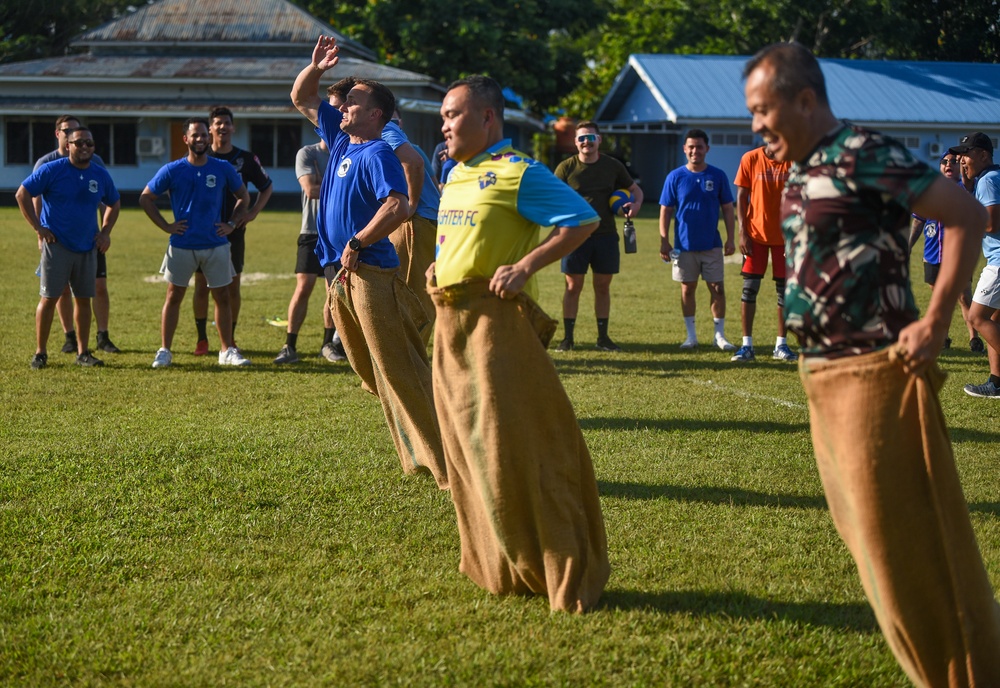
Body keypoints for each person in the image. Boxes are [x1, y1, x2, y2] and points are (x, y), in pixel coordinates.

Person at [744, 42, 1000, 686]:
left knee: (907, 539)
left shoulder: (864, 152)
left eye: (762, 110)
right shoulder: (800, 169)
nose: (755, 126)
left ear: (805, 100)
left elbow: (966, 214)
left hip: (873, 374)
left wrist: (938, 319)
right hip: (823, 376)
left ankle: (969, 667)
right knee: (869, 540)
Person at [429, 75, 609, 613]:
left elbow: (583, 219)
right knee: (466, 453)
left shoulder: (519, 172)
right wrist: (442, 260)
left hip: (494, 330)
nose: (444, 125)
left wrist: (526, 265)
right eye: (442, 116)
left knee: (514, 450)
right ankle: (498, 566)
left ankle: (557, 563)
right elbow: (459, 234)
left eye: (453, 115)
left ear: (488, 118)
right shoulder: (455, 171)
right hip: (448, 325)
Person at [290, 35, 448, 490]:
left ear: (376, 113)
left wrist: (358, 241)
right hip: (339, 274)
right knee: (367, 367)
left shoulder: (377, 151)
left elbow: (398, 205)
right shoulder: (340, 142)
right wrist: (317, 67)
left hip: (370, 272)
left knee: (395, 368)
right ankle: (422, 442)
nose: (343, 108)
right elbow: (301, 96)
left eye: (353, 102)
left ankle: (447, 465)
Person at [327, 80, 440, 347]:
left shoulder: (383, 131)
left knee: (412, 295)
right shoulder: (357, 137)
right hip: (425, 219)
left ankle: (410, 355)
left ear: (373, 112)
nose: (339, 111)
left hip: (417, 221)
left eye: (345, 104)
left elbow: (414, 163)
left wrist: (410, 205)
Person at [139, 117, 251, 368]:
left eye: (203, 135)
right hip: (182, 244)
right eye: (195, 135)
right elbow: (146, 198)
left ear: (209, 138)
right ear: (185, 139)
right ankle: (165, 350)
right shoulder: (172, 169)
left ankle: (226, 350)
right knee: (173, 296)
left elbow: (243, 196)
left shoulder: (222, 167)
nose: (200, 139)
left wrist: (231, 224)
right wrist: (167, 226)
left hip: (216, 244)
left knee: (222, 296)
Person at [16, 127, 120, 369]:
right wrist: (38, 228)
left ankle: (83, 352)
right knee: (49, 298)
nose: (84, 147)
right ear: (68, 146)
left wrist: (105, 232)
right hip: (57, 246)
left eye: (89, 144)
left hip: (87, 247)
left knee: (84, 299)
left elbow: (114, 202)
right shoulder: (53, 169)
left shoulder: (99, 174)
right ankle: (40, 352)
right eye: (79, 143)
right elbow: (22, 194)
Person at [553, 121, 643, 352]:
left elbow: (635, 190)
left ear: (599, 140)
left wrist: (635, 205)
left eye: (591, 138)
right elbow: (553, 196)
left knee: (603, 287)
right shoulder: (565, 167)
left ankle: (603, 338)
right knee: (573, 286)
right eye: (582, 138)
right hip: (574, 235)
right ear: (575, 142)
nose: (586, 142)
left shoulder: (613, 166)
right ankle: (568, 339)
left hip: (605, 235)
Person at [191, 106, 273, 355]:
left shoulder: (245, 159)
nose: (222, 127)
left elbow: (266, 187)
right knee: (202, 285)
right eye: (217, 123)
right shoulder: (201, 157)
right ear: (210, 128)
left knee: (232, 286)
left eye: (226, 123)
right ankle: (202, 338)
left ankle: (231, 338)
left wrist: (252, 213)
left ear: (233, 127)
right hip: (203, 232)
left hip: (233, 231)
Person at [659, 129, 737, 351]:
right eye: (691, 147)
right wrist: (664, 240)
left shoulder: (717, 175)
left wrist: (731, 238)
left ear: (707, 149)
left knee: (717, 289)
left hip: (711, 243)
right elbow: (665, 210)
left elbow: (728, 209)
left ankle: (719, 336)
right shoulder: (675, 177)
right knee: (688, 289)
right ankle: (691, 336)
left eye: (699, 147)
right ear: (684, 149)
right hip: (683, 246)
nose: (695, 151)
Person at [274, 139, 346, 364]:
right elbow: (311, 190)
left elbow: (324, 186)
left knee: (332, 292)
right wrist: (341, 183)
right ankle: (289, 346)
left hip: (336, 234)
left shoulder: (346, 151)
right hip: (311, 232)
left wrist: (323, 180)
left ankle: (327, 345)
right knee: (303, 287)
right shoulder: (307, 153)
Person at [907, 151, 983, 354]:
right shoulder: (931, 190)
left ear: (961, 167)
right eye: (944, 162)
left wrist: (965, 162)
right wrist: (907, 247)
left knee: (964, 297)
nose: (949, 164)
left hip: (958, 255)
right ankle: (943, 338)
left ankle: (974, 338)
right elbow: (918, 222)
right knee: (938, 299)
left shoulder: (966, 189)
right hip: (932, 255)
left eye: (954, 162)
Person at [730, 144, 797, 362]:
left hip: (784, 238)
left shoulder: (793, 160)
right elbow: (741, 196)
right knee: (749, 289)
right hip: (755, 235)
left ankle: (781, 345)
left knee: (783, 292)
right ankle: (746, 345)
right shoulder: (750, 158)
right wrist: (742, 232)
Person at [949, 133, 1000, 398]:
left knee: (976, 317)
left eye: (965, 154)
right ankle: (996, 382)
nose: (961, 160)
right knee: (993, 320)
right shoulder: (991, 177)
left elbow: (991, 223)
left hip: (999, 262)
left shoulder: (989, 180)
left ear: (983, 155)